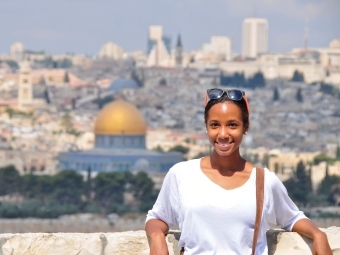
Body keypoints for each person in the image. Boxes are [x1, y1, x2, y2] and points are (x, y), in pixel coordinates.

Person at [145, 88, 332, 255]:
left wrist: (318, 235)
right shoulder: (181, 174)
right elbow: (157, 217)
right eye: (215, 125)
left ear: (246, 127)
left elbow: (292, 217)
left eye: (232, 125)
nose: (223, 134)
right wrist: (157, 237)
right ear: (206, 127)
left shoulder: (264, 181)